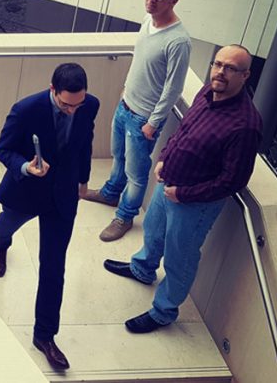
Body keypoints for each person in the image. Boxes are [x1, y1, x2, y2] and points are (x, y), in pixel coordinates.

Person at [104, 45, 262, 334]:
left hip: (194, 203)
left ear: (245, 75)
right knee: (152, 231)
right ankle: (142, 269)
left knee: (181, 258)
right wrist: (164, 157)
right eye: (218, 64)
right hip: (169, 184)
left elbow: (232, 181)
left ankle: (164, 312)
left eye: (230, 68)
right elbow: (183, 130)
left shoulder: (245, 126)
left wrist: (183, 194)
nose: (220, 72)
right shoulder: (207, 91)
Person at [0, 63, 99, 371]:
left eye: (77, 105)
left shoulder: (88, 105)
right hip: (27, 191)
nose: (72, 111)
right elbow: (3, 149)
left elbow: (84, 143)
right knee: (6, 226)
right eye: (66, 104)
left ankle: (44, 335)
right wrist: (26, 167)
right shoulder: (25, 109)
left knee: (54, 268)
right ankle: (0, 244)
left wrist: (83, 180)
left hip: (63, 195)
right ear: (53, 90)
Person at [85, 0, 191, 242]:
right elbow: (140, 60)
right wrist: (124, 89)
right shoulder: (148, 20)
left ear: (173, 1)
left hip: (143, 117)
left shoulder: (178, 41)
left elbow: (173, 88)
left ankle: (125, 215)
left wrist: (152, 122)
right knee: (117, 155)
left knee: (136, 172)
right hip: (126, 105)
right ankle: (110, 193)